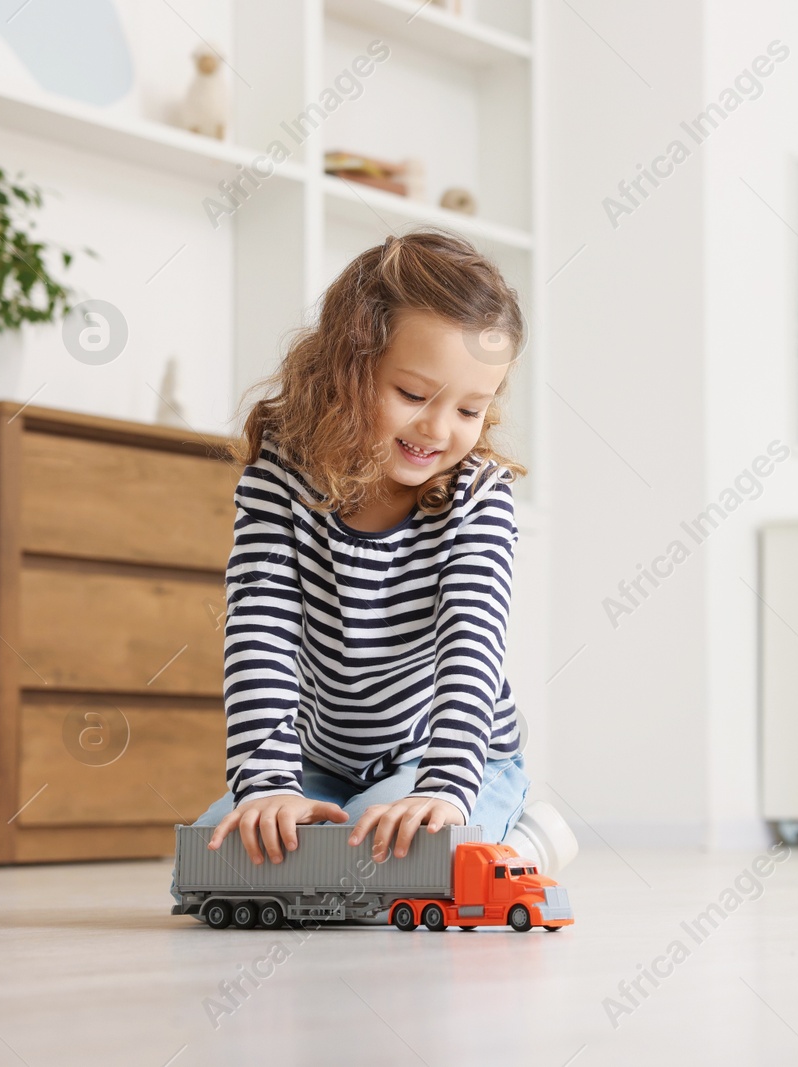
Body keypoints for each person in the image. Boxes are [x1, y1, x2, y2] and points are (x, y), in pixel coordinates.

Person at [191, 229, 576, 880]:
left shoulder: (478, 500)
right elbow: (260, 631)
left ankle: (526, 840)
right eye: (412, 394)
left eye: (469, 408)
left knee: (387, 859)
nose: (437, 428)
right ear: (350, 364)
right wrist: (267, 783)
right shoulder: (280, 478)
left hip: (452, 755)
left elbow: (470, 647)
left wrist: (444, 787)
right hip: (322, 760)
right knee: (220, 858)